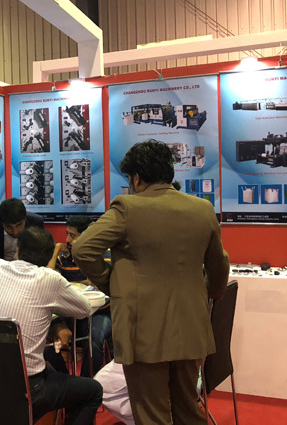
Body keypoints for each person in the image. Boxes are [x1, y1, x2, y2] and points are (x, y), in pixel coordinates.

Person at [73, 139, 230, 425]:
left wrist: (112, 285)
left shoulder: (127, 208)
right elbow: (219, 265)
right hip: (191, 326)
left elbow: (82, 248)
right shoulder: (202, 209)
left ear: (136, 177)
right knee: (188, 408)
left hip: (142, 331)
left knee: (151, 413)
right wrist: (211, 292)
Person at [0, 226, 103, 425]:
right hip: (27, 388)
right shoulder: (49, 279)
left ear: (18, 249)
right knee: (93, 391)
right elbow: (84, 309)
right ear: (48, 257)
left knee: (54, 369)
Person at [47, 215, 113, 377]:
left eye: (73, 235)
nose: (67, 240)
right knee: (49, 329)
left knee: (94, 339)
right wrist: (56, 250)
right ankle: (63, 378)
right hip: (71, 313)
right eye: (67, 234)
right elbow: (47, 280)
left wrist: (71, 283)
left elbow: (103, 286)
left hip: (100, 312)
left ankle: (87, 381)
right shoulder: (64, 258)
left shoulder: (104, 255)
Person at [0, 197, 44, 286]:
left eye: (19, 225)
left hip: (26, 275)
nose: (15, 231)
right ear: (1, 223)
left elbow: (41, 251)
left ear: (25, 219)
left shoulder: (36, 222)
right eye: (8, 227)